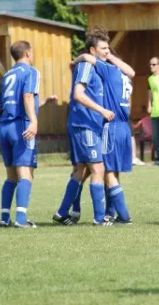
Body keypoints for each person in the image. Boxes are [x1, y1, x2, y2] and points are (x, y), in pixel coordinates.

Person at [65, 43, 135, 224]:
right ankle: (109, 213)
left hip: (109, 126)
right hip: (124, 126)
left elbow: (88, 58)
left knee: (102, 172)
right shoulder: (126, 77)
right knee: (110, 172)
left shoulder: (109, 71)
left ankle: (123, 216)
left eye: (108, 50)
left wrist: (74, 60)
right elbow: (132, 72)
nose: (105, 53)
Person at [52, 29, 115, 226]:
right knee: (98, 169)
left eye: (108, 47)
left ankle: (62, 212)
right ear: (92, 50)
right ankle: (98, 219)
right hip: (84, 123)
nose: (107, 51)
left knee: (81, 171)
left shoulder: (95, 66)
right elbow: (78, 94)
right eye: (103, 48)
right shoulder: (87, 65)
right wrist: (102, 110)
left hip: (87, 123)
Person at [0, 41, 58, 228]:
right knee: (26, 173)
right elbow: (27, 97)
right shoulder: (31, 72)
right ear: (28, 53)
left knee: (11, 176)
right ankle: (21, 220)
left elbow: (18, 103)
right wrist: (34, 121)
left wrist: (45, 101)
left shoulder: (7, 75)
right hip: (21, 127)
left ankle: (4, 217)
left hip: (4, 127)